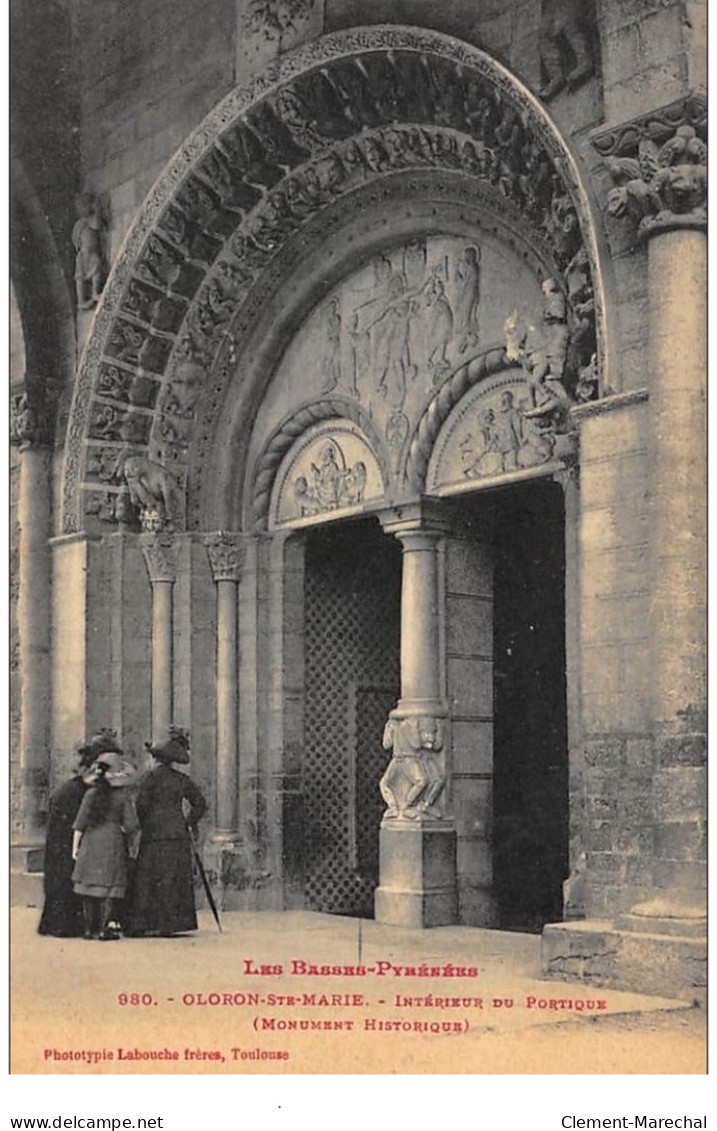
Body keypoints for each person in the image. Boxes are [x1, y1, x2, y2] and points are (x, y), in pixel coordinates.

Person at [38, 729, 121, 938]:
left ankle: (63, 922)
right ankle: (72, 923)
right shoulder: (87, 788)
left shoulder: (73, 788)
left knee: (66, 870)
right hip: (71, 826)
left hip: (66, 826)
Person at [128, 727, 207, 937]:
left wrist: (146, 824)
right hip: (177, 834)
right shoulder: (181, 780)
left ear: (156, 759)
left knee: (149, 879)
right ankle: (172, 924)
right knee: (173, 879)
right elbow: (200, 804)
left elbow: (141, 806)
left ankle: (147, 923)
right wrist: (188, 822)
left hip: (154, 835)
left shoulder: (149, 779)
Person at [71, 751, 139, 941]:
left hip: (90, 840)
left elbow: (79, 824)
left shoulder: (90, 794)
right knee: (109, 886)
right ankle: (103, 929)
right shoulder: (122, 796)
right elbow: (131, 824)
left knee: (88, 884)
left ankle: (88, 929)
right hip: (112, 840)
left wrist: (75, 848)